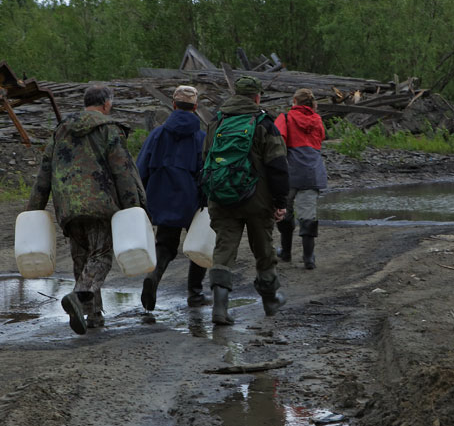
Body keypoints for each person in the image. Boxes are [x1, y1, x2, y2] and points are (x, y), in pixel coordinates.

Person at [25, 84, 147, 335]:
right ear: (106, 104)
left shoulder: (61, 130)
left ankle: (92, 315)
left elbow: (44, 172)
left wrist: (33, 210)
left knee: (82, 259)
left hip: (67, 205)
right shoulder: (109, 129)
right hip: (99, 203)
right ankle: (80, 297)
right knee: (101, 255)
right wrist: (134, 208)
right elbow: (123, 172)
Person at [204, 75, 290, 326]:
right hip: (257, 200)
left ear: (235, 94)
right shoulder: (264, 123)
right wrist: (281, 202)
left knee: (224, 249)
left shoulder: (216, 121)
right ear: (257, 97)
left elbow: (206, 159)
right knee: (263, 250)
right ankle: (270, 300)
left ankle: (220, 308)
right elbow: (278, 166)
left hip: (222, 197)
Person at [136, 85, 210, 311]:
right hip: (191, 199)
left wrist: (140, 198)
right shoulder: (201, 137)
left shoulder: (157, 134)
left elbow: (141, 167)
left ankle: (153, 277)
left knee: (166, 243)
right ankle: (195, 294)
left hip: (161, 196)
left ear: (174, 104)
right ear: (195, 107)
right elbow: (207, 171)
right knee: (198, 243)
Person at [274, 88, 328, 270]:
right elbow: (320, 139)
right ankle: (308, 258)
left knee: (284, 212)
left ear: (295, 101)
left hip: (289, 172)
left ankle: (286, 252)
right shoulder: (317, 119)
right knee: (308, 215)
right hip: (312, 171)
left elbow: (278, 142)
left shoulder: (285, 118)